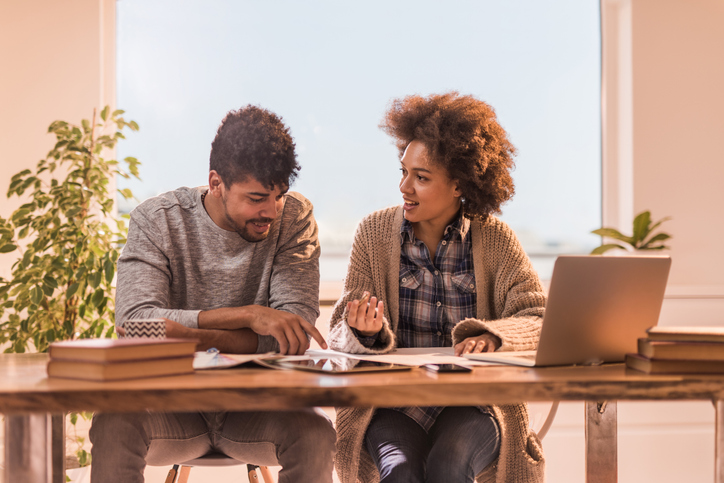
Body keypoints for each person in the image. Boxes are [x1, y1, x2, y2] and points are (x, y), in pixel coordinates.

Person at [89, 105, 336, 483]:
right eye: (256, 198)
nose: (270, 211)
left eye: (279, 195)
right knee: (114, 421)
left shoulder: (294, 217)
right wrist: (247, 315)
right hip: (171, 407)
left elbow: (293, 337)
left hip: (257, 410)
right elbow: (135, 324)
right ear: (216, 182)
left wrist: (189, 336)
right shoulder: (157, 220)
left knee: (315, 432)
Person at [329, 92, 547, 483]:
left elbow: (538, 315)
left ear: (459, 183)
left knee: (449, 464)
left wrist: (494, 337)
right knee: (400, 470)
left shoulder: (494, 238)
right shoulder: (374, 234)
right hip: (394, 404)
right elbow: (340, 330)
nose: (404, 187)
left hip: (475, 405)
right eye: (403, 171)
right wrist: (365, 331)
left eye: (421, 177)